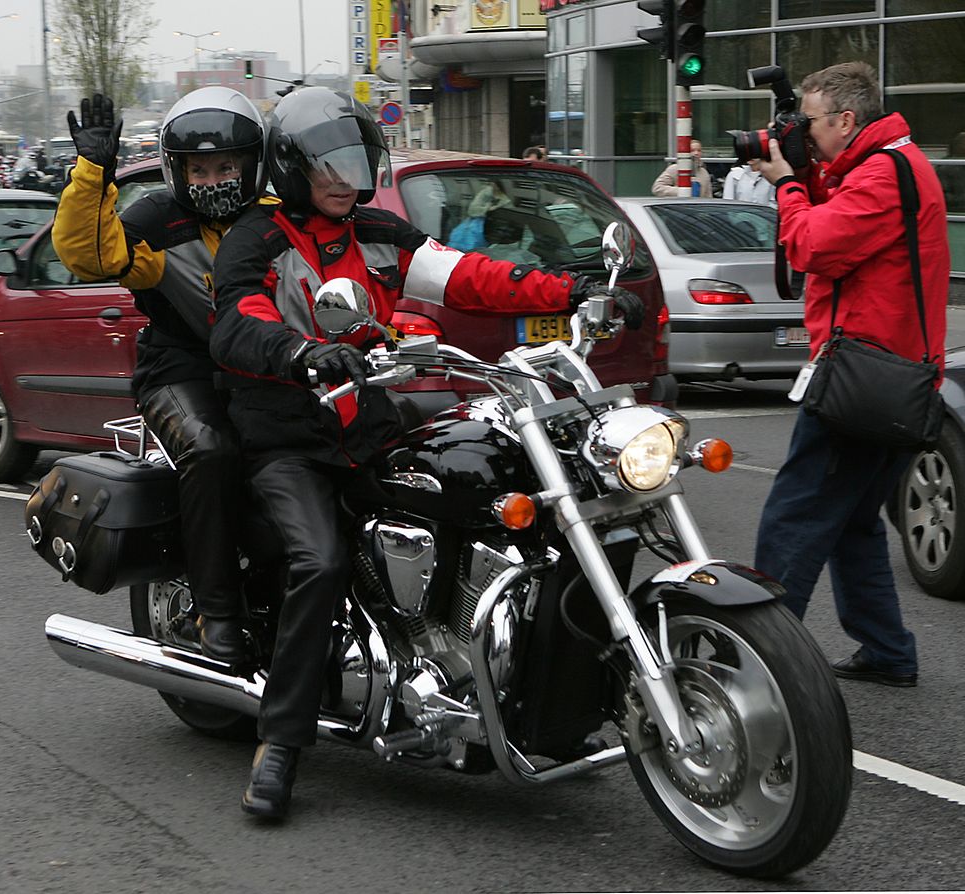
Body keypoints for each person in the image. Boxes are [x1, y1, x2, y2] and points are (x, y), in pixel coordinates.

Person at [208, 86, 645, 820]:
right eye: (327, 168)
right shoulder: (261, 241)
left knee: (495, 483)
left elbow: (471, 275)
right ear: (289, 167)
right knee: (319, 562)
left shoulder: (380, 233)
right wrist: (302, 352)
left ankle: (521, 695)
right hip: (290, 439)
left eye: (353, 163)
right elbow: (237, 327)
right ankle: (280, 744)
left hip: (367, 426)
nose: (344, 181)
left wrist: (568, 292)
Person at [53, 87, 269, 665]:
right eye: (199, 168)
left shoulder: (275, 217)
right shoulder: (157, 222)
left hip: (267, 370)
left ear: (252, 163)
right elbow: (88, 254)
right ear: (178, 171)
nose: (214, 178)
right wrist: (94, 173)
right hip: (182, 368)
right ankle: (215, 611)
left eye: (226, 165)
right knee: (211, 449)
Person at [750, 61, 949, 688]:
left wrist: (787, 183)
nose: (802, 133)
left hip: (864, 379)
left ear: (845, 119)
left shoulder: (885, 175)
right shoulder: (881, 165)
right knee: (854, 523)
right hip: (888, 377)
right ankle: (888, 651)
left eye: (809, 122)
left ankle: (759, 657)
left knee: (795, 516)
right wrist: (805, 171)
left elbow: (811, 245)